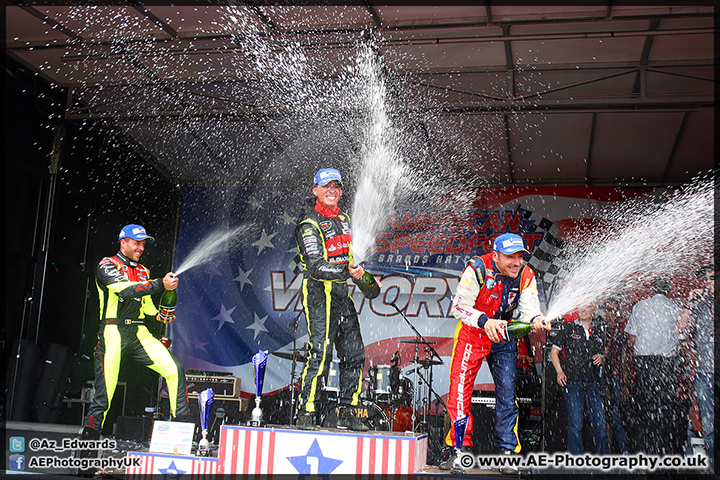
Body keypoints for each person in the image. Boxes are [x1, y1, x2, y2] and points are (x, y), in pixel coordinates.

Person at [443, 233, 549, 470]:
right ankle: (460, 450)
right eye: (510, 257)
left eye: (520, 256)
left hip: (504, 335)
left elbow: (529, 308)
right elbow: (459, 306)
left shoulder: (526, 274)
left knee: (507, 394)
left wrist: (537, 318)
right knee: (460, 392)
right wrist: (484, 321)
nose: (516, 262)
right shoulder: (478, 268)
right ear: (496, 255)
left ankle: (507, 452)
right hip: (474, 332)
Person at [82, 224, 191, 439]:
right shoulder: (106, 265)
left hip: (139, 331)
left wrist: (158, 315)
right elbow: (124, 289)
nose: (141, 248)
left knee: (174, 370)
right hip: (113, 331)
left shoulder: (143, 271)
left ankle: (182, 433)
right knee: (104, 398)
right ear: (123, 243)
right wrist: (160, 284)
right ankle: (87, 459)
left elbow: (146, 304)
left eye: (143, 243)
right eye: (136, 243)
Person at [294, 168, 380, 431]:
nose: (332, 190)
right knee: (321, 355)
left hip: (342, 294)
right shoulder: (308, 224)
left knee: (354, 354)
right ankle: (306, 411)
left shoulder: (344, 219)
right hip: (319, 294)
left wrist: (364, 277)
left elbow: (352, 259)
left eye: (337, 186)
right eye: (326, 186)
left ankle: (349, 411)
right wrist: (348, 272)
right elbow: (316, 267)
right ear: (316, 190)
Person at [624, 277, 683, 455]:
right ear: (668, 291)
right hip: (667, 363)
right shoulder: (675, 308)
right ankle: (662, 450)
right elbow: (680, 339)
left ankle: (643, 450)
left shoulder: (640, 306)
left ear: (652, 290)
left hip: (644, 363)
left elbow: (632, 339)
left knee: (644, 406)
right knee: (664, 408)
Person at [551, 302, 610, 455]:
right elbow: (553, 353)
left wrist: (602, 358)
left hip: (594, 384)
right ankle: (575, 463)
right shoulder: (569, 327)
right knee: (575, 425)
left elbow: (606, 352)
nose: (583, 310)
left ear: (594, 310)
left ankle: (603, 462)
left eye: (587, 307)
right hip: (573, 383)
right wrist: (559, 372)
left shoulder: (600, 330)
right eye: (580, 307)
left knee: (600, 425)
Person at [677, 265, 715, 461]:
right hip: (704, 372)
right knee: (708, 421)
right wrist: (689, 304)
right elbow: (679, 329)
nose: (708, 283)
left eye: (712, 278)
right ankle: (712, 462)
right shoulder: (700, 303)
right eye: (707, 279)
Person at [601, 296, 631, 454]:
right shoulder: (599, 328)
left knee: (614, 412)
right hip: (599, 376)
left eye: (615, 310)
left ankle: (622, 448)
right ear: (605, 311)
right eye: (610, 309)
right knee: (600, 412)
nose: (612, 313)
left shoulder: (620, 331)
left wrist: (625, 382)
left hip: (616, 377)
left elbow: (625, 356)